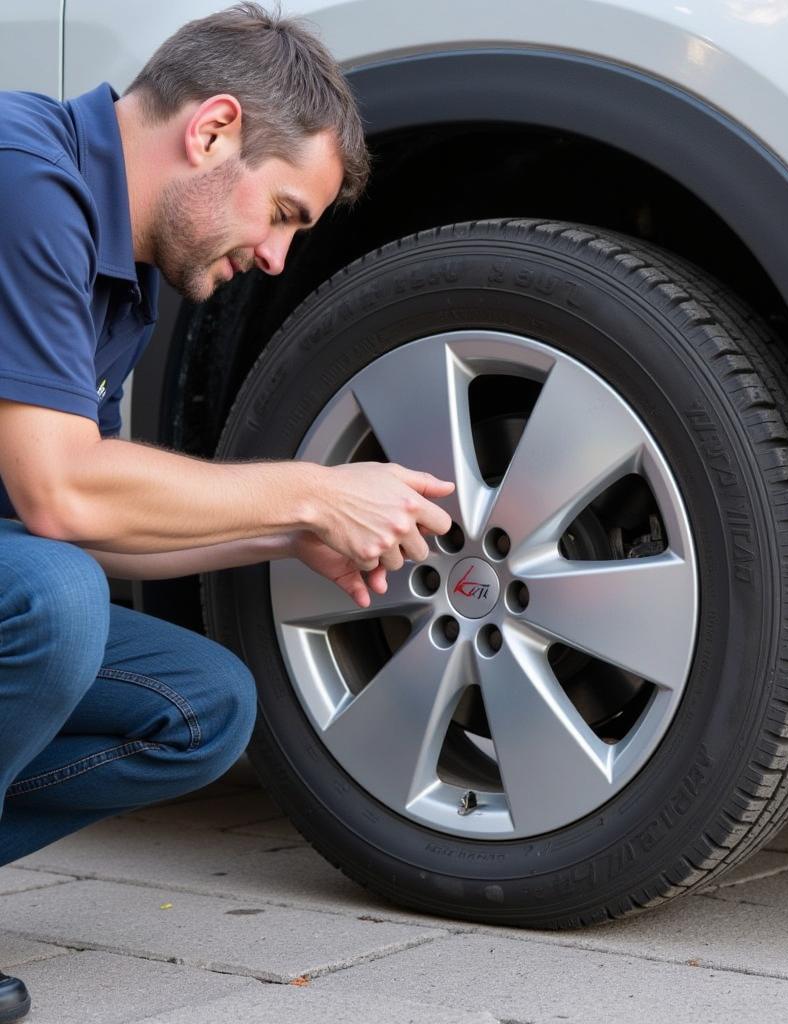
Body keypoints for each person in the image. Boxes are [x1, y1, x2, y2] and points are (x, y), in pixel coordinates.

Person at [0, 5, 453, 1019]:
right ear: (211, 132)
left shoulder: (123, 271)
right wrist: (312, 486)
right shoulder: (23, 179)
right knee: (56, 603)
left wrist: (291, 531)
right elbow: (59, 492)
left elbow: (93, 514)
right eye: (285, 212)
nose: (276, 257)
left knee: (202, 706)